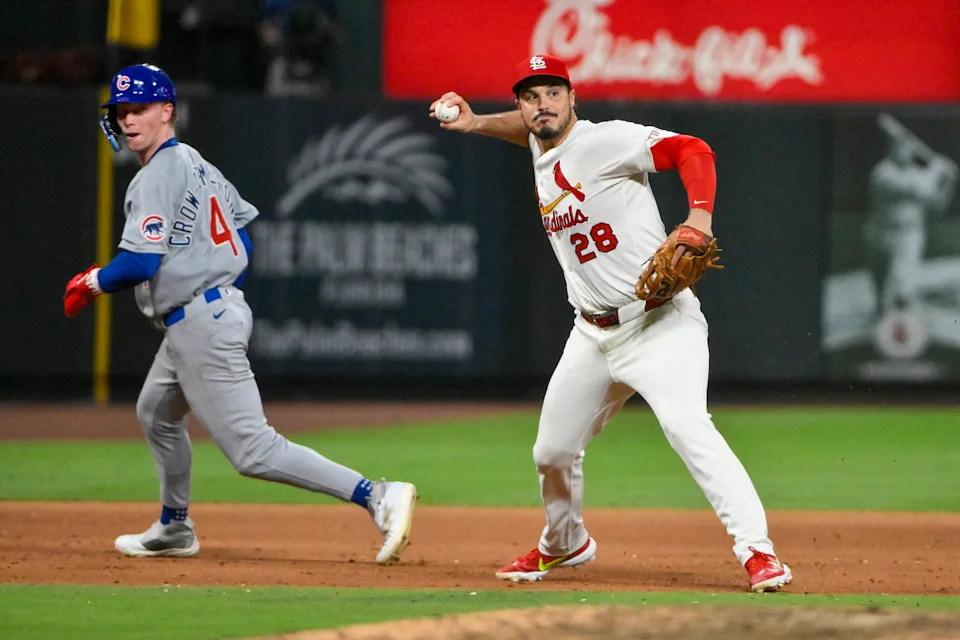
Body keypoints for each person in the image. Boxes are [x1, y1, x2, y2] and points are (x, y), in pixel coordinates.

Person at [429, 55, 791, 592]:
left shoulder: (605, 140)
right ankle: (565, 542)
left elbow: (693, 149)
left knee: (687, 426)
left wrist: (698, 217)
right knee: (551, 452)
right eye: (531, 96)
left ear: (573, 98)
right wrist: (478, 122)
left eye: (553, 92)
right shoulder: (538, 140)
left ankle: (757, 551)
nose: (542, 104)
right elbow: (527, 132)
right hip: (592, 333)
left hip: (659, 322)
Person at [63, 63, 417, 563]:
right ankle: (174, 525)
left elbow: (139, 262)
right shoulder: (196, 163)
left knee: (254, 450)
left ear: (167, 111)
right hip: (206, 312)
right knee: (156, 413)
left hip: (200, 320)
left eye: (139, 108)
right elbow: (243, 238)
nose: (128, 120)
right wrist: (218, 289)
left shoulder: (156, 174)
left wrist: (91, 281)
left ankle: (377, 495)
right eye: (121, 111)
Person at [865, 113, 959, 315]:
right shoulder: (883, 173)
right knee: (880, 290)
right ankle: (882, 321)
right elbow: (921, 188)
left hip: (908, 234)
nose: (908, 151)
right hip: (879, 233)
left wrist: (950, 182)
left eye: (909, 148)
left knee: (903, 287)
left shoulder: (915, 173)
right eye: (902, 146)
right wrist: (938, 168)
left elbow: (937, 206)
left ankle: (901, 322)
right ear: (891, 149)